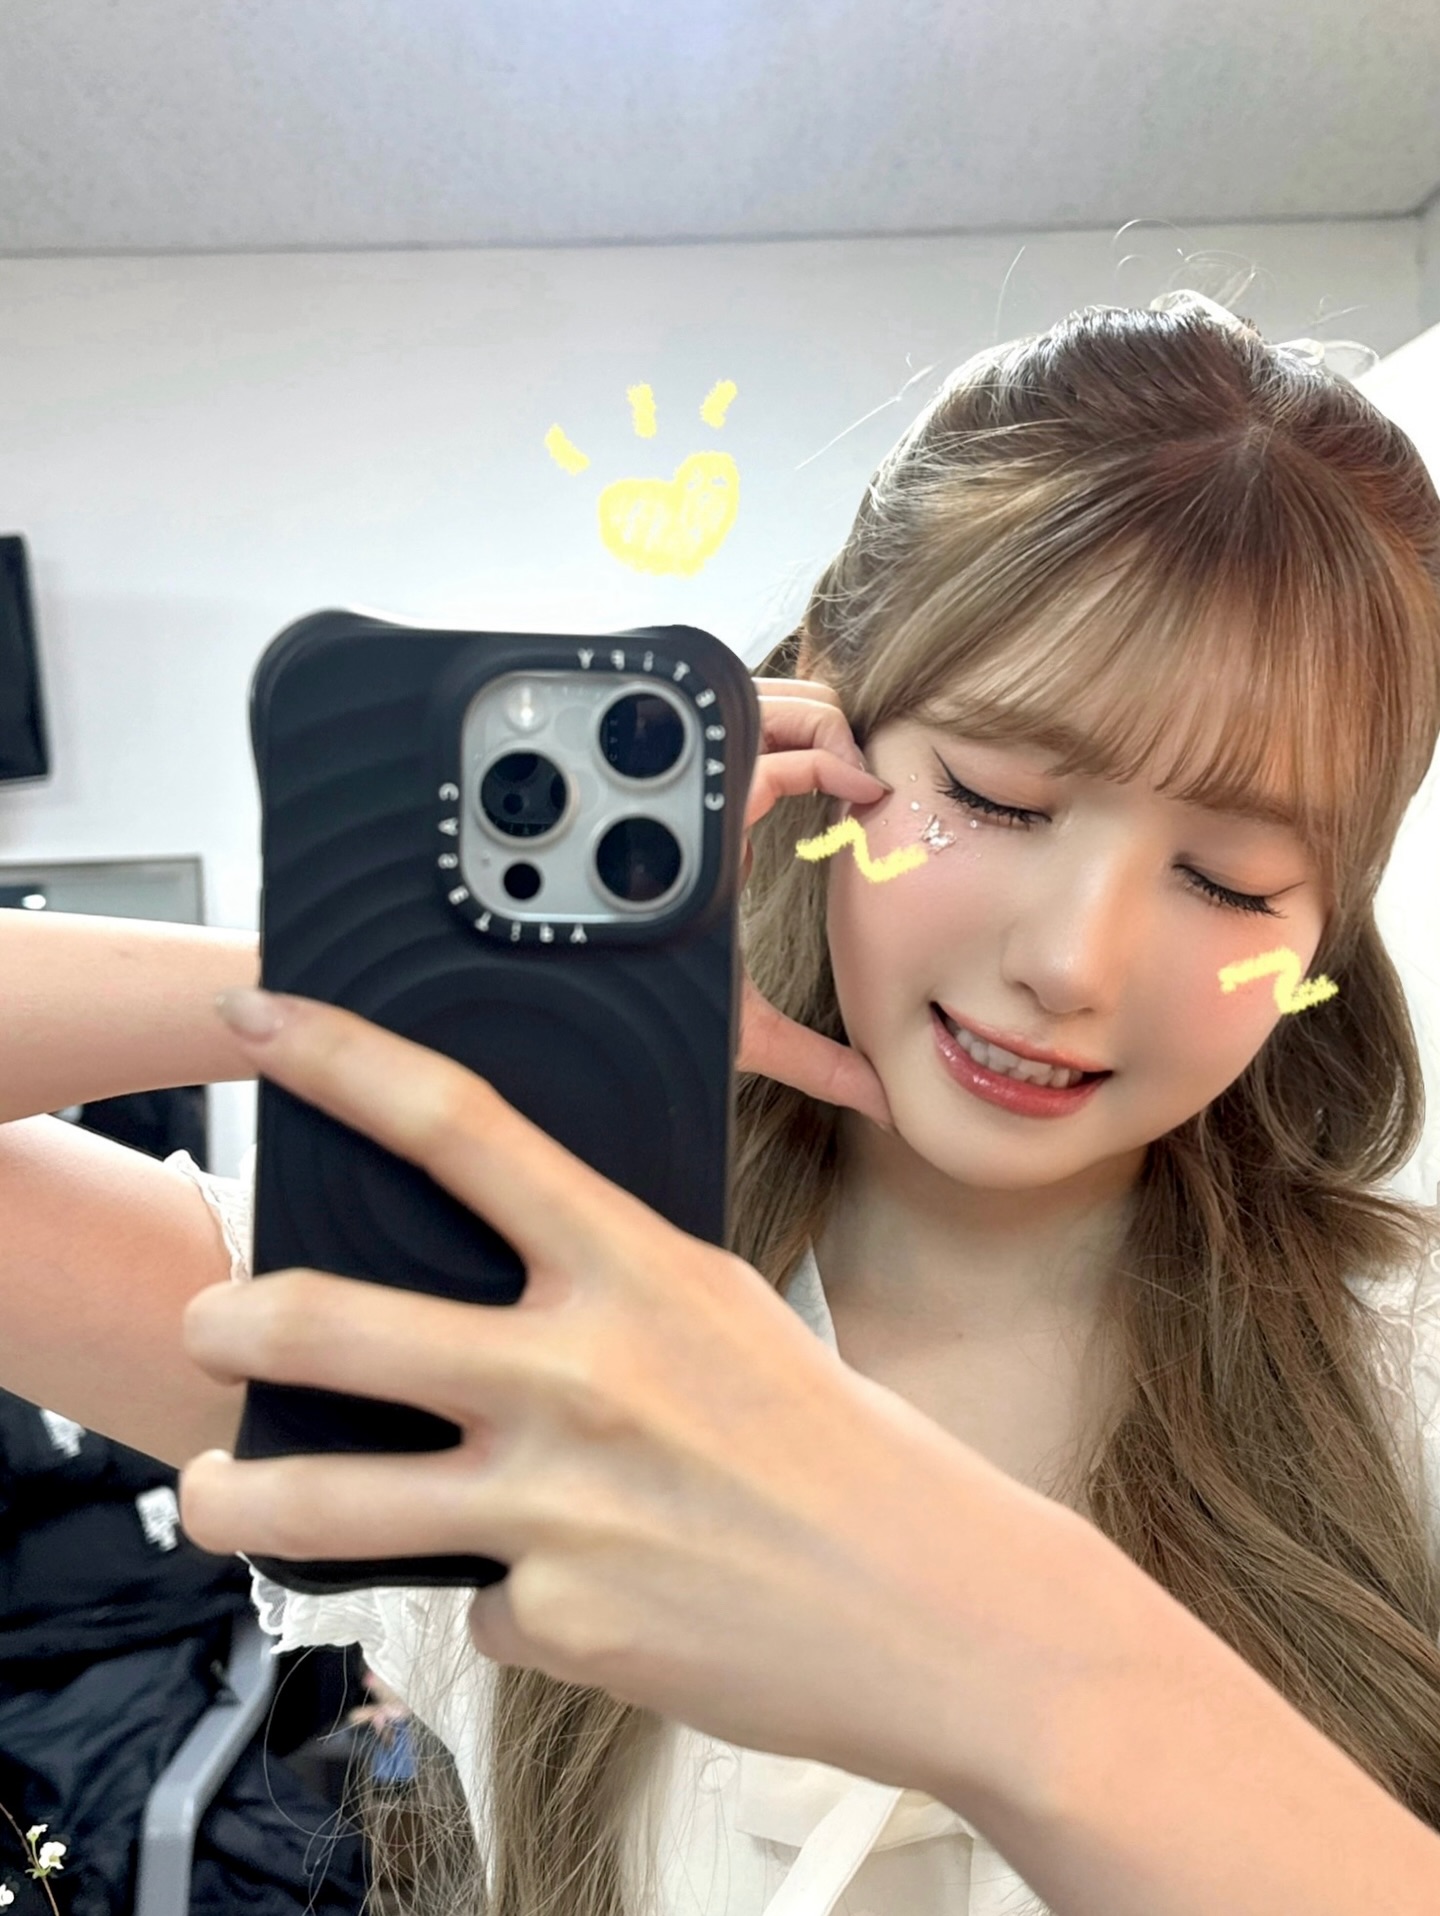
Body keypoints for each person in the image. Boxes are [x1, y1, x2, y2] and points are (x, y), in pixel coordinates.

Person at [3, 291, 1440, 1916]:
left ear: (1331, 922)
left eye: (1230, 880)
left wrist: (1039, 1681)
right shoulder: (502, 1309)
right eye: (994, 797)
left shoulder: (1402, 1362)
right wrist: (402, 986)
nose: (1071, 963)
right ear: (828, 713)